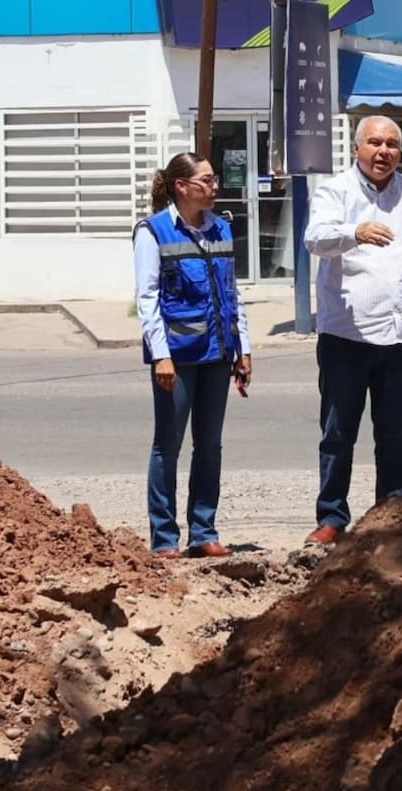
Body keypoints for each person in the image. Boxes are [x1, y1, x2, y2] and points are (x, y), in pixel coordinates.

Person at [303, 116, 402, 545]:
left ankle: (394, 511)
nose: (383, 152)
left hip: (401, 336)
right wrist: (355, 232)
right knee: (338, 432)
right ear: (357, 148)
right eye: (375, 144)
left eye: (392, 145)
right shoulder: (335, 191)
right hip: (347, 335)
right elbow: (315, 239)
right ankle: (331, 518)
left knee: (394, 432)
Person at [133, 152, 251, 559]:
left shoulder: (220, 229)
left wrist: (243, 347)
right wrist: (161, 355)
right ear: (182, 187)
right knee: (168, 444)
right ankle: (165, 539)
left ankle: (204, 531)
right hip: (177, 358)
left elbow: (232, 292)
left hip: (217, 352)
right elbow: (147, 299)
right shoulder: (153, 232)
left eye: (215, 179)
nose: (214, 186)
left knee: (210, 445)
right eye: (206, 180)